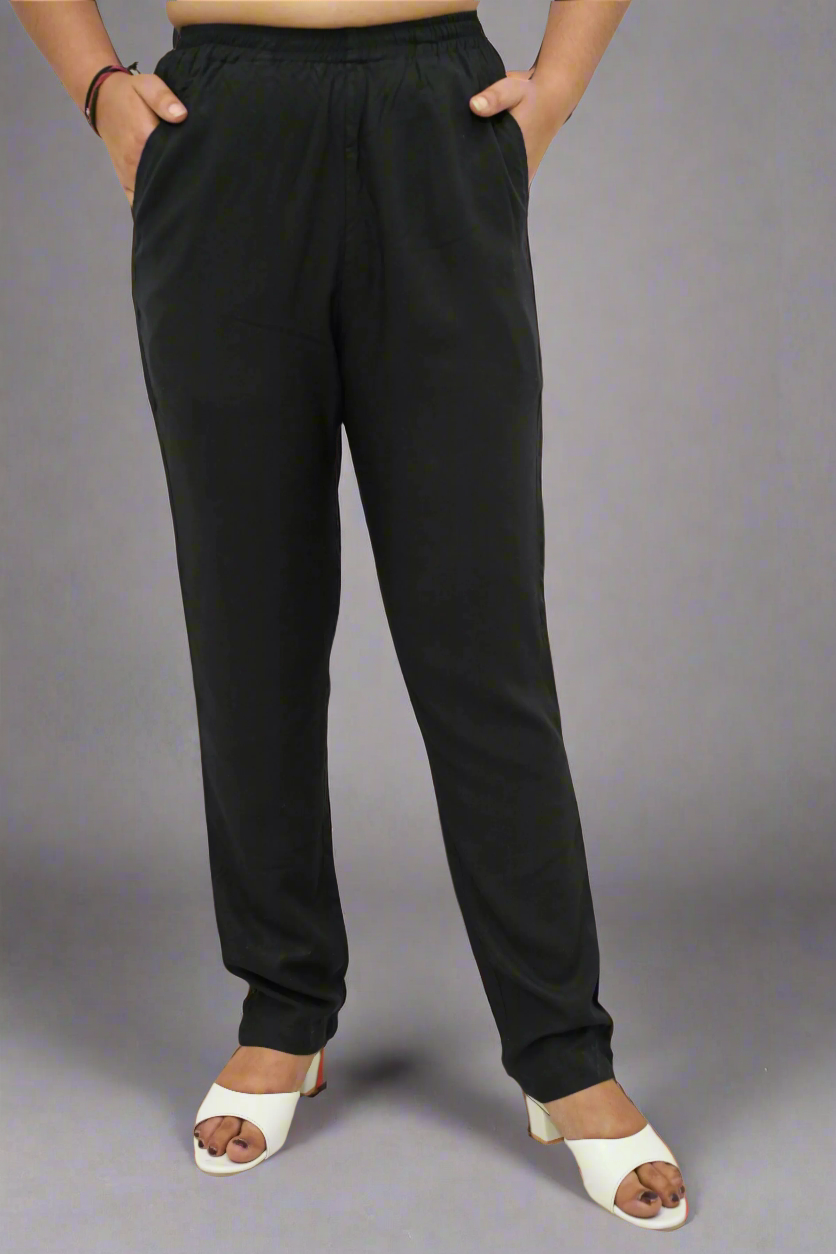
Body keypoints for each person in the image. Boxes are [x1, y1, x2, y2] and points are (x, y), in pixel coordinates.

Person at [11, 0, 688, 1228]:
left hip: (435, 111)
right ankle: (283, 1009)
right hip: (220, 120)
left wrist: (558, 85)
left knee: (479, 630)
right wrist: (100, 90)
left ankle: (561, 1050)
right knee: (248, 620)